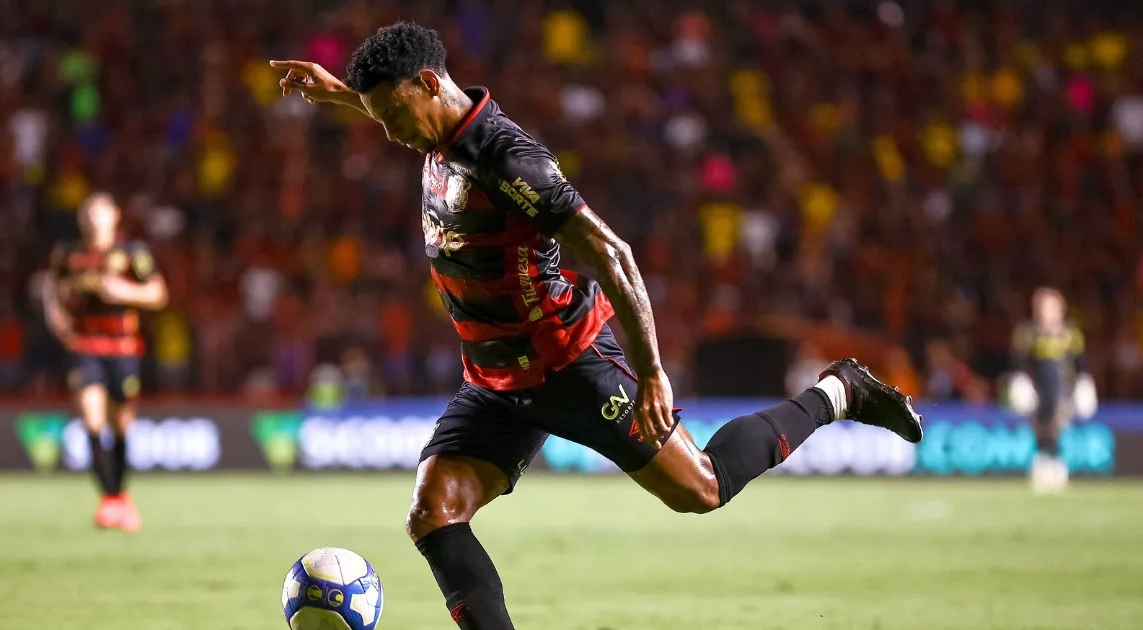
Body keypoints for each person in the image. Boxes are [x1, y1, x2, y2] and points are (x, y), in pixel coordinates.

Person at [272, 22, 923, 629]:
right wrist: (341, 96)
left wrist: (650, 372)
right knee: (433, 514)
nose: (390, 132)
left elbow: (612, 254)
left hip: (569, 364)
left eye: (393, 115)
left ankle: (840, 391)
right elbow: (399, 119)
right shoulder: (435, 128)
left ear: (429, 85)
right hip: (496, 379)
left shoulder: (508, 159)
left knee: (701, 488)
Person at [42, 192, 169, 531]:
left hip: (123, 347)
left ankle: (119, 496)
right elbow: (50, 287)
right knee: (92, 420)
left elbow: (158, 293)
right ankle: (109, 500)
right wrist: (56, 318)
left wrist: (125, 292)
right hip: (86, 345)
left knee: (121, 426)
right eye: (87, 212)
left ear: (114, 216)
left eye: (99, 212)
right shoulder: (69, 254)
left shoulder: (132, 253)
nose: (92, 218)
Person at [1006, 287, 1097, 493]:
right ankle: (1042, 462)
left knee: (1056, 424)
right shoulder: (1028, 334)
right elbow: (1018, 362)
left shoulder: (1070, 335)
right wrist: (1020, 382)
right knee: (1041, 425)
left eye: (1051, 307)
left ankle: (1056, 463)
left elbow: (1080, 364)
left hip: (1062, 391)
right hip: (1038, 391)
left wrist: (1085, 384)